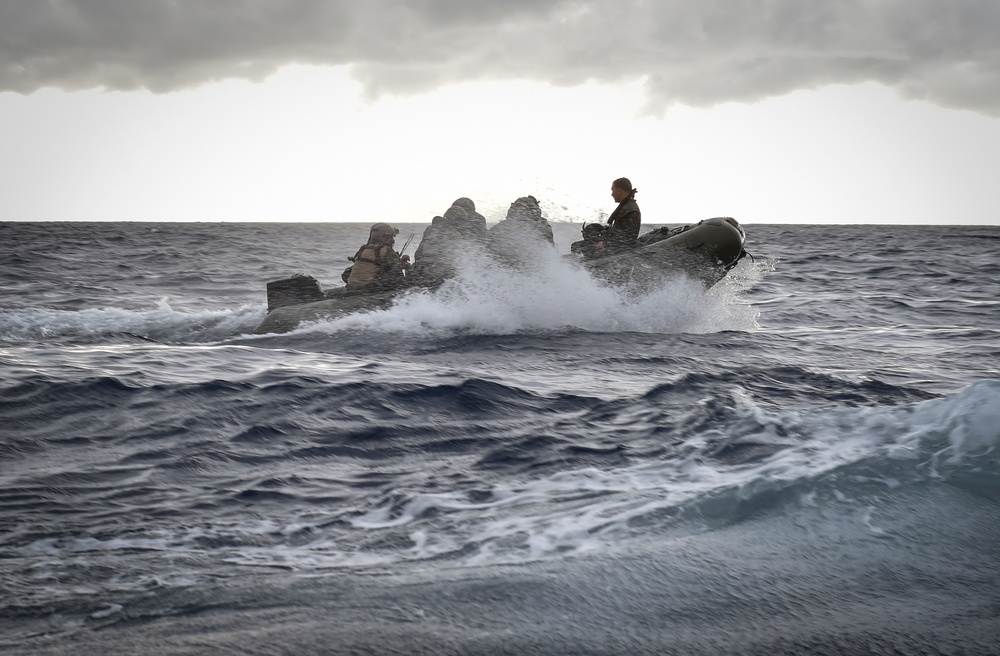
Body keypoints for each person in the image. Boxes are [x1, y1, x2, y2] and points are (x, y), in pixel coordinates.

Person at [343, 222, 410, 291]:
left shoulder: (364, 249)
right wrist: (403, 264)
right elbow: (396, 270)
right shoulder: (386, 250)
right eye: (389, 237)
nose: (392, 240)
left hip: (352, 286)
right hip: (370, 288)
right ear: (384, 237)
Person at [596, 177, 641, 253]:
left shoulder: (630, 210)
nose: (612, 194)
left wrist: (605, 244)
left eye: (613, 190)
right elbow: (619, 230)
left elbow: (628, 237)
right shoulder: (625, 206)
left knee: (578, 247)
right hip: (615, 246)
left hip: (620, 251)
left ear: (619, 191)